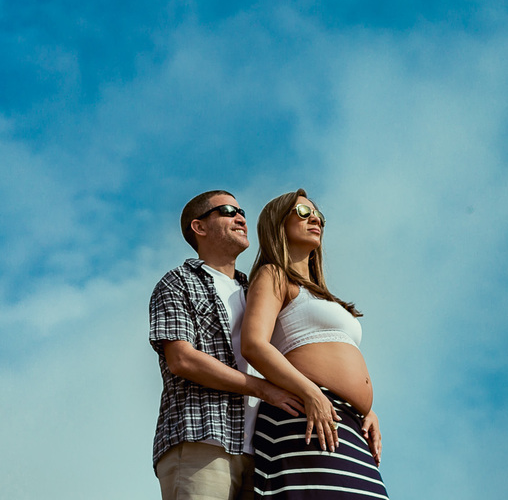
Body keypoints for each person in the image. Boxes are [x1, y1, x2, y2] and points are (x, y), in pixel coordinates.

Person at [150, 190, 305, 500]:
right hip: (203, 441)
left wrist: (360, 407)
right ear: (199, 227)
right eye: (228, 211)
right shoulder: (179, 282)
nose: (241, 218)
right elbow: (182, 360)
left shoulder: (257, 290)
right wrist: (264, 390)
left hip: (263, 451)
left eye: (242, 212)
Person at [240, 189, 388, 498]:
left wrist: (366, 409)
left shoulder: (322, 295)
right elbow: (253, 344)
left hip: (347, 422)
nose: (315, 219)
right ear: (278, 223)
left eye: (318, 215)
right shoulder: (273, 275)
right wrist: (311, 393)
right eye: (304, 213)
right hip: (305, 414)